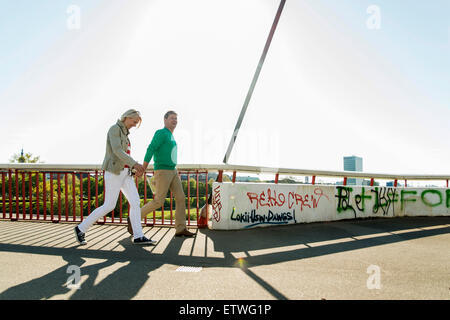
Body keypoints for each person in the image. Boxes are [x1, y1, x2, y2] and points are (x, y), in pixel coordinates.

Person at [74, 109, 156, 245]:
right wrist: (135, 164)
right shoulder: (114, 129)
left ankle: (138, 236)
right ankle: (80, 228)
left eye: (137, 123)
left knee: (135, 202)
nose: (135, 125)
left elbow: (125, 156)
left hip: (125, 174)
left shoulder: (125, 134)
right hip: (114, 172)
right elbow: (117, 151)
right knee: (109, 205)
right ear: (127, 118)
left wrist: (133, 169)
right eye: (134, 122)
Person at [129, 110, 195, 237]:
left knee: (181, 198)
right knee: (158, 201)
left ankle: (180, 228)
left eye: (176, 118)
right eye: (172, 118)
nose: (174, 120)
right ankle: (133, 218)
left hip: (173, 170)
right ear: (165, 120)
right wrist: (143, 167)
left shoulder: (171, 135)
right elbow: (151, 149)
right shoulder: (161, 133)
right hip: (163, 171)